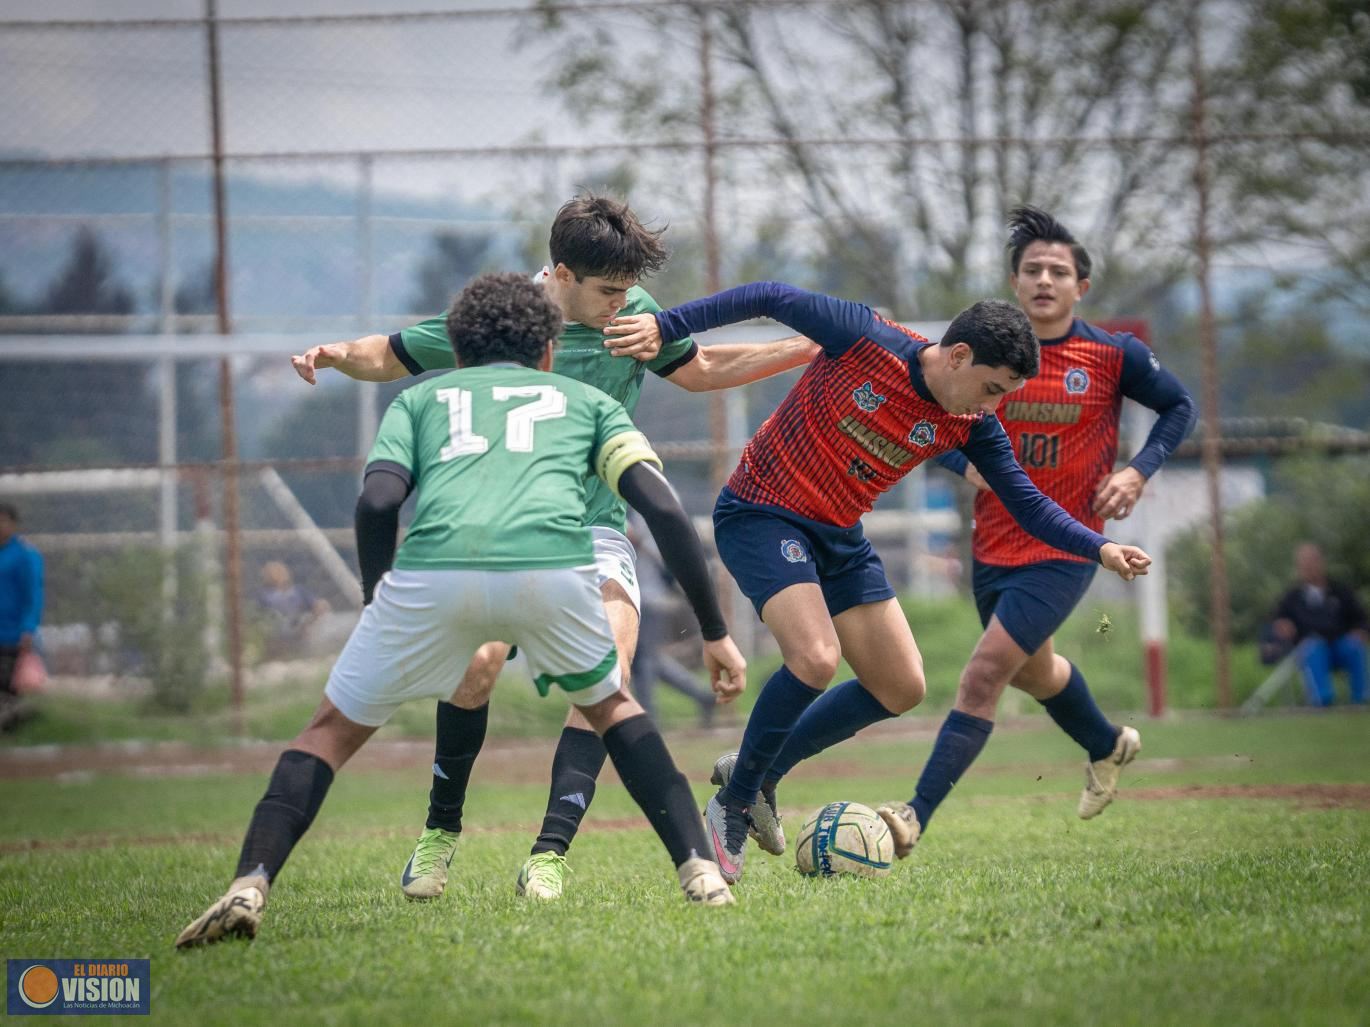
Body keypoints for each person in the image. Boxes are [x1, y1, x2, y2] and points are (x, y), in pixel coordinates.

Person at [175, 273, 747, 949]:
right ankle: (701, 873)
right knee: (615, 708)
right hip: (551, 571)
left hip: (433, 573)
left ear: (458, 346)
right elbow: (664, 509)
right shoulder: (586, 401)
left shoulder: (420, 401)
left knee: (326, 733)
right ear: (546, 350)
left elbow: (378, 504)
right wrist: (714, 629)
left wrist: (376, 603)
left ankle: (250, 883)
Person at [292, 193, 816, 901]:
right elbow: (390, 354)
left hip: (594, 530)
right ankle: (440, 833)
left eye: (629, 292)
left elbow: (702, 369)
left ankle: (548, 855)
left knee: (608, 668)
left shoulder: (632, 315)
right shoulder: (505, 320)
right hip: (492, 527)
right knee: (475, 668)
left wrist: (806, 347)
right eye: (607, 292)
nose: (621, 305)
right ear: (561, 274)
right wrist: (331, 355)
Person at [607, 280, 1152, 882]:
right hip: (762, 513)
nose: (994, 406)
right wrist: (669, 325)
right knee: (816, 659)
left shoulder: (970, 422)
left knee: (901, 686)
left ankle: (758, 773)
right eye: (993, 389)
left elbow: (1026, 500)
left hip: (838, 535)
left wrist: (1100, 547)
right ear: (959, 356)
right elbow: (767, 294)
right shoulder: (864, 336)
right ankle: (732, 806)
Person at [869, 207, 1196, 857]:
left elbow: (1178, 407)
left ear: (1082, 287)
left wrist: (1136, 471)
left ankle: (912, 816)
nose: (1045, 279)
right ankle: (1107, 742)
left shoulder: (1111, 355)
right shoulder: (982, 352)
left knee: (985, 673)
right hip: (991, 543)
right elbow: (933, 427)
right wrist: (970, 468)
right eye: (1032, 269)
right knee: (1031, 670)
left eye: (1059, 270)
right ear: (1015, 283)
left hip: (1067, 544)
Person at [626, 514, 718, 727]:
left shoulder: (640, 510)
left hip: (648, 596)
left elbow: (639, 539)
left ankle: (647, 721)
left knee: (644, 662)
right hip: (641, 594)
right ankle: (702, 695)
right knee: (649, 660)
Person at [1272, 542, 1368, 706]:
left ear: (1321, 562)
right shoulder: (1292, 597)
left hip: (1340, 646)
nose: (1308, 566)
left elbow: (1362, 619)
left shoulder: (1341, 591)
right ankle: (1322, 701)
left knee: (1354, 646)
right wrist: (1283, 626)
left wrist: (1361, 631)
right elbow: (1279, 620)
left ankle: (1362, 700)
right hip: (1311, 650)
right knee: (1313, 647)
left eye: (1311, 560)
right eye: (1303, 562)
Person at [0, 503, 44, 731]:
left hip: (12, 632)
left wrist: (28, 627)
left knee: (8, 682)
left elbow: (33, 594)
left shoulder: (25, 555)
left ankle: (12, 726)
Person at [253, 560, 330, 660]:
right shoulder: (265, 596)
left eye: (280, 571)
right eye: (273, 572)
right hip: (279, 631)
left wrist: (315, 613)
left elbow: (318, 605)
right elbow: (262, 618)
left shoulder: (298, 591)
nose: (279, 575)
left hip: (302, 627)